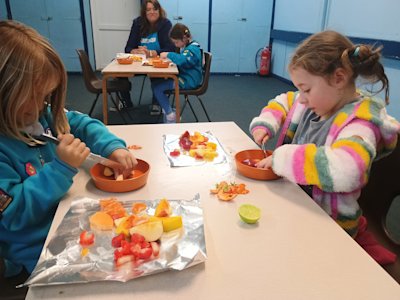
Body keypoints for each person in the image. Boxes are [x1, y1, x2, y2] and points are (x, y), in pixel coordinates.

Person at [0, 20, 138, 278]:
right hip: (35, 249)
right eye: (32, 97)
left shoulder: (40, 114)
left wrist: (111, 147)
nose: (41, 106)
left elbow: (80, 123)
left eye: (45, 96)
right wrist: (60, 168)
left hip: (66, 220)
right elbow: (12, 216)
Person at [250, 30, 400, 239]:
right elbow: (285, 100)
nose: (301, 99)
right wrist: (266, 123)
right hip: (295, 203)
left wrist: (284, 157)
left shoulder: (361, 123)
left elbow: (348, 170)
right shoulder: (314, 102)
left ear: (339, 78)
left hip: (328, 226)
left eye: (306, 89)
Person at [122, 0, 175, 112]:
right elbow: (127, 48)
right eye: (148, 9)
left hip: (157, 61)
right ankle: (126, 103)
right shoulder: (137, 23)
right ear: (144, 12)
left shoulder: (166, 24)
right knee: (119, 71)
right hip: (138, 62)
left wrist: (152, 53)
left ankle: (157, 103)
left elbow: (171, 48)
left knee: (157, 72)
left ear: (159, 11)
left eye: (155, 9)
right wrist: (134, 51)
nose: (152, 12)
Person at [154, 23, 203, 123]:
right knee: (156, 83)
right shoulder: (188, 47)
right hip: (186, 77)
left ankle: (170, 114)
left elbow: (182, 60)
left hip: (189, 81)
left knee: (158, 89)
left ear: (184, 38)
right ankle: (166, 108)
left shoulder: (192, 49)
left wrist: (168, 54)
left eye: (176, 42)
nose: (175, 45)